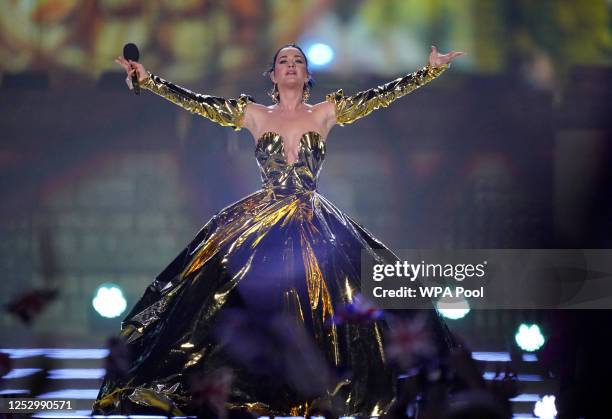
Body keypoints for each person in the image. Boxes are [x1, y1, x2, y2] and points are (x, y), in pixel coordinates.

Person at [94, 43, 464, 417]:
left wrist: (428, 72)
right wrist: (150, 80)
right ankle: (242, 388)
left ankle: (335, 390)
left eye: (298, 61)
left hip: (314, 221)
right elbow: (196, 102)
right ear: (272, 75)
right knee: (215, 295)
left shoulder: (325, 113)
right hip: (263, 221)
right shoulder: (254, 114)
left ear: (307, 75)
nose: (290, 66)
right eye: (283, 61)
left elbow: (382, 96)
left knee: (351, 295)